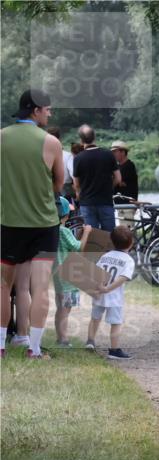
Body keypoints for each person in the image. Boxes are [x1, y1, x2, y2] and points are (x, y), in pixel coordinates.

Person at [1, 89, 64, 360]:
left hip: (8, 222)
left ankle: (1, 346)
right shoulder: (50, 142)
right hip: (43, 224)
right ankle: (34, 349)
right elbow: (59, 183)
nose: (49, 113)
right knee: (39, 287)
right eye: (47, 109)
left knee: (3, 286)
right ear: (36, 110)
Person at [85, 226, 135, 360]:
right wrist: (109, 288)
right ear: (131, 243)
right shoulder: (128, 260)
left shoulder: (105, 256)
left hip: (99, 293)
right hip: (114, 297)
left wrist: (100, 287)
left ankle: (90, 342)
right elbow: (123, 277)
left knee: (95, 318)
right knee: (116, 323)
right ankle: (114, 350)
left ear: (112, 242)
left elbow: (96, 273)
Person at [53, 197, 92, 346]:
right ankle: (63, 339)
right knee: (65, 309)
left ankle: (59, 337)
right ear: (66, 215)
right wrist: (86, 232)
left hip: (57, 274)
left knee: (60, 308)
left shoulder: (53, 231)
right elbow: (78, 247)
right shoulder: (64, 231)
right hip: (67, 276)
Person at [73, 125, 120, 232]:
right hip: (105, 201)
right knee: (109, 236)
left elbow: (76, 184)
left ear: (81, 140)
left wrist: (80, 194)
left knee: (92, 238)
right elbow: (118, 178)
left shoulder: (78, 158)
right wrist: (109, 187)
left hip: (87, 203)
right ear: (94, 138)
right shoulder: (108, 154)